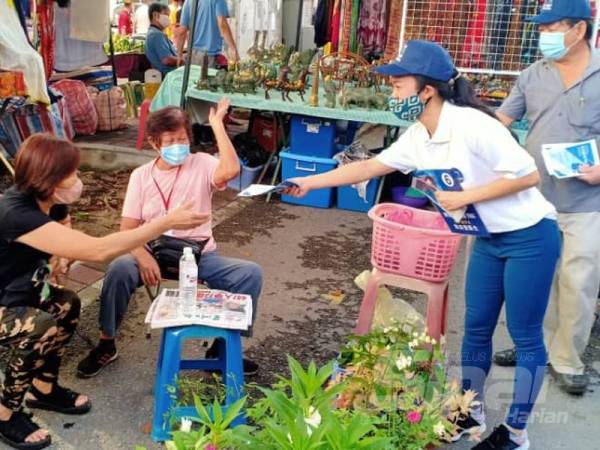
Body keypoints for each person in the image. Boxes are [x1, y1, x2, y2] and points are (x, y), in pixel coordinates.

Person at [285, 40, 560, 450]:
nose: (392, 93)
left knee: (524, 336)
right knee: (476, 330)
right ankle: (471, 409)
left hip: (529, 237)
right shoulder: (419, 134)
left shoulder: (472, 125)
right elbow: (371, 166)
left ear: (426, 89)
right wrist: (308, 181)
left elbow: (527, 175)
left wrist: (467, 197)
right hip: (486, 238)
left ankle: (516, 433)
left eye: (398, 85)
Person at [0, 134, 205, 450]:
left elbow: (64, 249)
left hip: (17, 292)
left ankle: (43, 388)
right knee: (37, 326)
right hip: (6, 302)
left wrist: (60, 259)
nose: (78, 180)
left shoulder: (50, 202)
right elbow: (98, 250)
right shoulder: (16, 213)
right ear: (50, 179)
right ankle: (5, 412)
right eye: (73, 173)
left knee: (66, 305)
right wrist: (166, 221)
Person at [76, 99, 262, 379]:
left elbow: (231, 171)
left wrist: (217, 126)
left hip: (199, 254)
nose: (179, 146)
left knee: (250, 274)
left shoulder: (201, 163)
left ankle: (223, 348)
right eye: (171, 140)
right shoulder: (141, 176)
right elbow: (128, 227)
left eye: (183, 138)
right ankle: (106, 342)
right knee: (119, 268)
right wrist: (142, 255)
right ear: (154, 143)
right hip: (153, 251)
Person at [493, 0, 600, 396]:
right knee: (531, 280)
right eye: (543, 28)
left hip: (588, 203)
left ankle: (567, 360)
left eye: (553, 27)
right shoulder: (532, 75)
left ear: (579, 30)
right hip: (535, 200)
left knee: (578, 281)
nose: (545, 35)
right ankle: (528, 347)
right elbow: (500, 122)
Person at [176, 0, 239, 67]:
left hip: (192, 55)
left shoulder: (188, 1)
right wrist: (233, 50)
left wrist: (179, 56)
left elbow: (182, 32)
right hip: (209, 57)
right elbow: (222, 24)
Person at [145, 2, 178, 76]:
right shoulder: (156, 35)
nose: (168, 19)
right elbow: (166, 60)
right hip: (169, 76)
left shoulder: (153, 33)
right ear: (155, 15)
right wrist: (181, 60)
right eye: (166, 15)